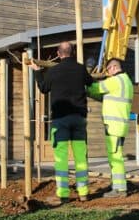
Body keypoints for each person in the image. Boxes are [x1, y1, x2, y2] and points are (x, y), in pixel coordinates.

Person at [30, 42, 94, 203]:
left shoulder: (54, 70)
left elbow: (44, 88)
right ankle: (83, 192)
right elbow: (91, 83)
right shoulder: (80, 69)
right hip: (79, 119)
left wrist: (37, 72)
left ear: (59, 53)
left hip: (60, 120)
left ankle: (64, 193)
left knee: (61, 158)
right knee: (81, 157)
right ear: (72, 52)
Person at [87, 58, 133, 198]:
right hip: (121, 125)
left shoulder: (115, 81)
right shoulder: (127, 81)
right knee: (116, 156)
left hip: (113, 126)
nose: (107, 74)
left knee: (115, 157)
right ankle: (118, 186)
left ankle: (119, 189)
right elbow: (102, 95)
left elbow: (95, 88)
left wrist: (83, 79)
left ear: (113, 68)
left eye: (107, 70)